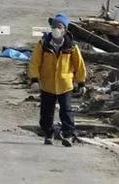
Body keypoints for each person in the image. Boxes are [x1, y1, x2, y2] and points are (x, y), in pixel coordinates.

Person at [28, 13, 86, 147]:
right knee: (46, 113)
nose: (56, 29)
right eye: (54, 26)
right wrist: (34, 79)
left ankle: (68, 135)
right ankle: (49, 133)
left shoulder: (71, 47)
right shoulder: (43, 44)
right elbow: (34, 62)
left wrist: (81, 82)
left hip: (65, 85)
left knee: (66, 112)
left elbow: (79, 65)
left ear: (65, 29)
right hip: (47, 84)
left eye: (59, 26)